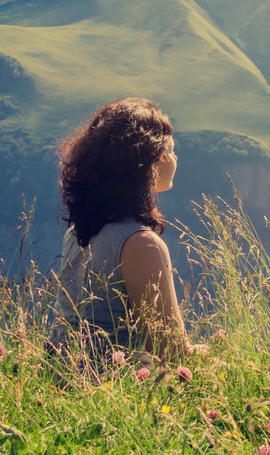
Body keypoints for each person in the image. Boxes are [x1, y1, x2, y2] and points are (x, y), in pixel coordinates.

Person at [48, 97, 206, 364]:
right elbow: (172, 352)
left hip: (61, 380)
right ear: (158, 156)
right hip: (107, 389)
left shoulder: (79, 231)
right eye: (174, 151)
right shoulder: (140, 244)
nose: (176, 159)